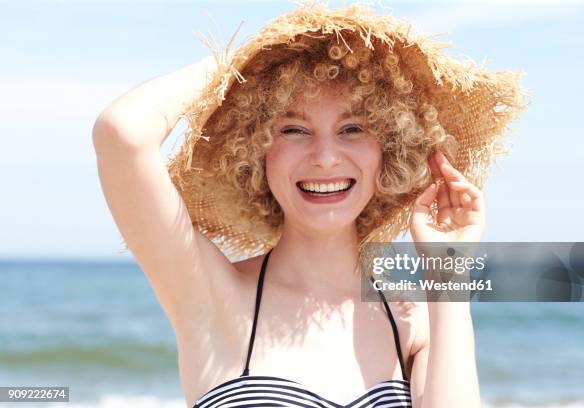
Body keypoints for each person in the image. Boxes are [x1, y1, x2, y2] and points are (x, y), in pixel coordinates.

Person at [93, 3, 525, 408]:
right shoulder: (210, 293)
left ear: (389, 150)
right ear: (255, 150)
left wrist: (448, 266)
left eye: (352, 128)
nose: (324, 156)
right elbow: (122, 133)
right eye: (295, 129)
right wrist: (244, 63)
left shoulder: (412, 318)